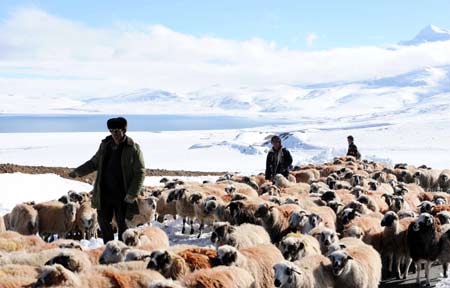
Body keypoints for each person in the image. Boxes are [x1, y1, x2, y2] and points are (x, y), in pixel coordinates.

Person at [68, 117, 145, 243]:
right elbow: (94, 162)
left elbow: (140, 171)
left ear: (124, 130)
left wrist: (132, 193)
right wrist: (78, 171)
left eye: (117, 131)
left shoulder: (133, 148)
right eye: (111, 131)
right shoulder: (105, 146)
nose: (114, 134)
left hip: (123, 194)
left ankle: (122, 248)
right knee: (103, 222)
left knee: (123, 224)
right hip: (105, 193)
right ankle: (108, 246)